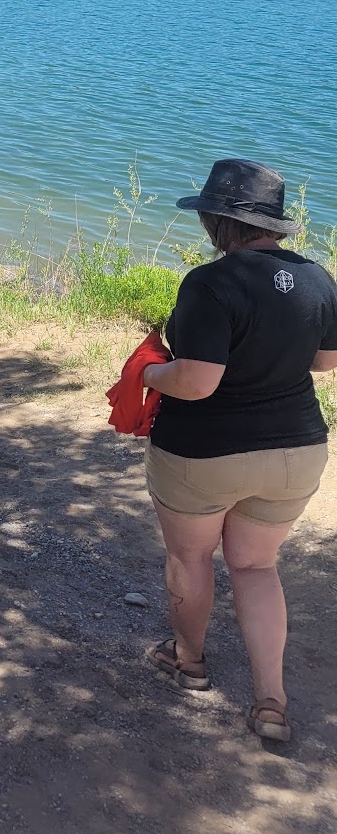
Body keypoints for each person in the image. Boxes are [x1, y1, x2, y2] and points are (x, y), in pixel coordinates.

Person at [142, 159, 337, 743]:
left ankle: (189, 662)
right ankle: (271, 701)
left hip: (205, 453)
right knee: (255, 567)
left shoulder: (211, 282)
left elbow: (198, 382)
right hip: (296, 451)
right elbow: (326, 363)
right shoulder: (318, 278)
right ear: (273, 226)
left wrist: (150, 376)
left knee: (192, 558)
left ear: (217, 222)